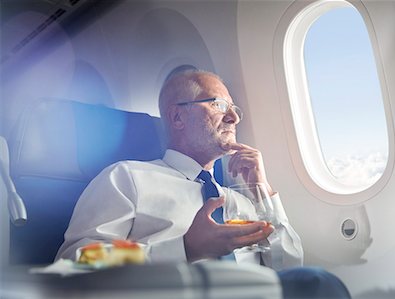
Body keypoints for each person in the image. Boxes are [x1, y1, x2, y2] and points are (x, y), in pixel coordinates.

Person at [56, 69, 351, 298]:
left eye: (234, 108)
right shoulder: (128, 177)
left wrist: (263, 191)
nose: (234, 117)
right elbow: (78, 260)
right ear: (177, 117)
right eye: (219, 104)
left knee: (313, 283)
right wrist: (183, 248)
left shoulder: (239, 201)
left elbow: (288, 267)